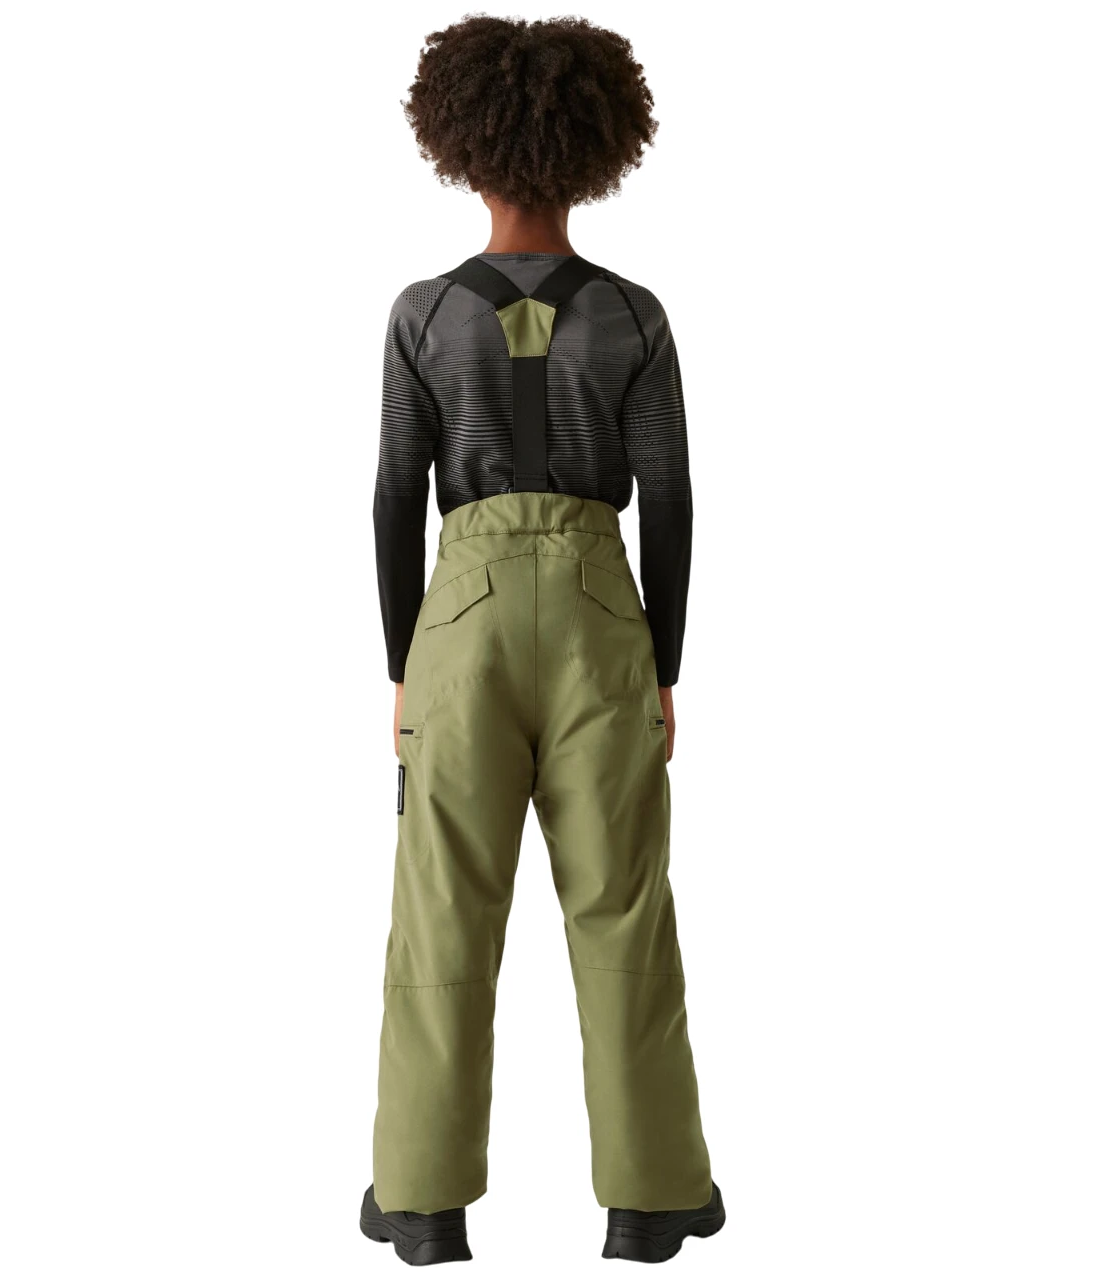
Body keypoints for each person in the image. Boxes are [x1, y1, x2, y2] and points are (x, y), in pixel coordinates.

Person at [360, 16, 723, 1265]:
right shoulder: (632, 315)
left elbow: (393, 496)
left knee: (441, 903)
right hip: (596, 610)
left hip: (457, 616)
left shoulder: (421, 313)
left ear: (463, 149)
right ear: (594, 151)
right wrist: (663, 665)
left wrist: (400, 667)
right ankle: (652, 1194)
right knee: (620, 901)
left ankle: (420, 1198)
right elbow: (669, 498)